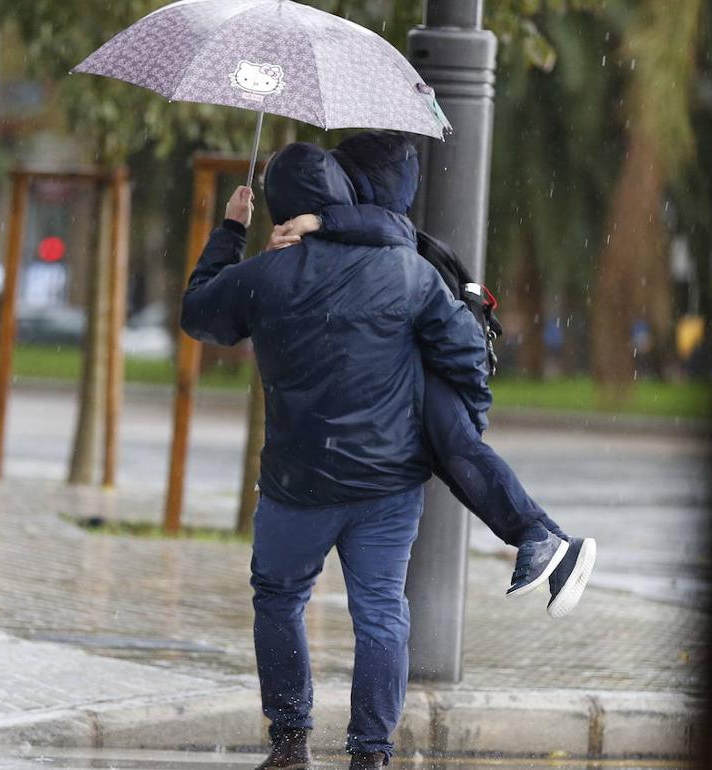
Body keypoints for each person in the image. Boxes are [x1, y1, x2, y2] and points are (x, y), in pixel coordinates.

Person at [180, 142, 489, 769]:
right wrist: (459, 427)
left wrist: (232, 230)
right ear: (343, 198)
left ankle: (291, 741)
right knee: (380, 612)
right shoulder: (406, 271)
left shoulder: (260, 277)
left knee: (278, 595)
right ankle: (370, 754)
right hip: (388, 483)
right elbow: (465, 350)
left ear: (281, 207)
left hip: (298, 483)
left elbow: (199, 315)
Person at [268, 131, 596, 615]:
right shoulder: (377, 230)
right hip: (425, 371)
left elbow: (378, 231)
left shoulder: (386, 228)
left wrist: (320, 219)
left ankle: (545, 540)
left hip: (432, 372)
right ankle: (549, 543)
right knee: (456, 461)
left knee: (460, 452)